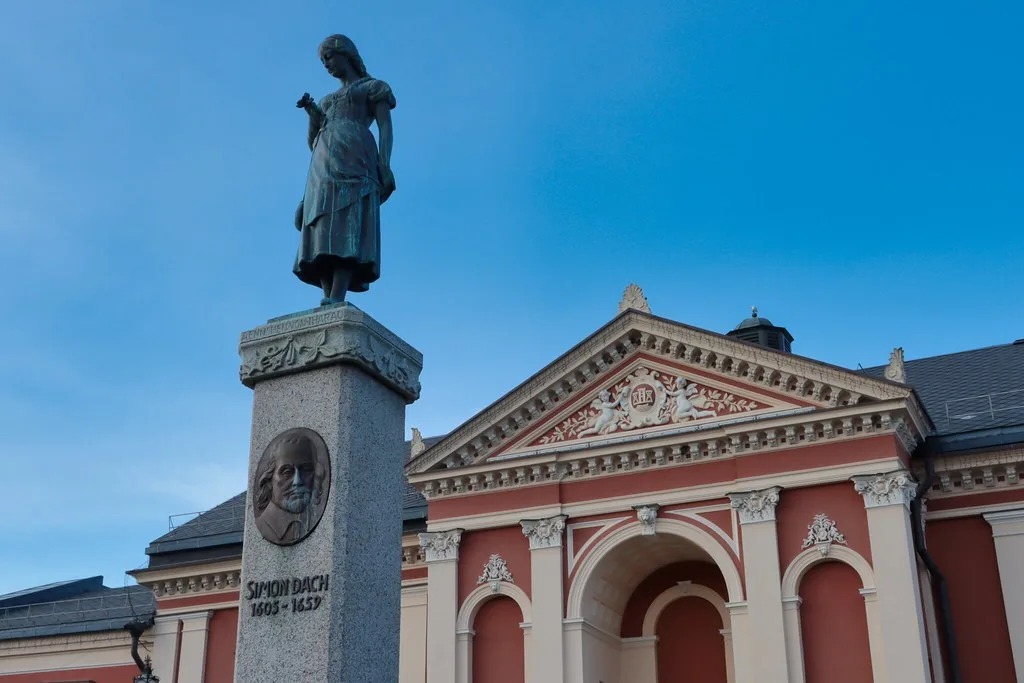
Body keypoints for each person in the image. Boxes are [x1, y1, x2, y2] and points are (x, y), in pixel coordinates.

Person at [294, 34, 397, 305]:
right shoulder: (327, 101)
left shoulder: (373, 87)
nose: (326, 64)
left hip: (356, 157)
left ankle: (338, 293)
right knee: (322, 223)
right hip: (323, 162)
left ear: (345, 54)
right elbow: (313, 139)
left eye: (329, 56)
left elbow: (385, 127)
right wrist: (311, 112)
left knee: (347, 218)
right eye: (322, 61)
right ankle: (328, 295)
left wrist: (384, 163)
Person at [254, 432, 324, 545]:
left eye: (306, 469)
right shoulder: (265, 524)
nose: (298, 481)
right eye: (287, 472)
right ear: (269, 480)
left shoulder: (311, 518)